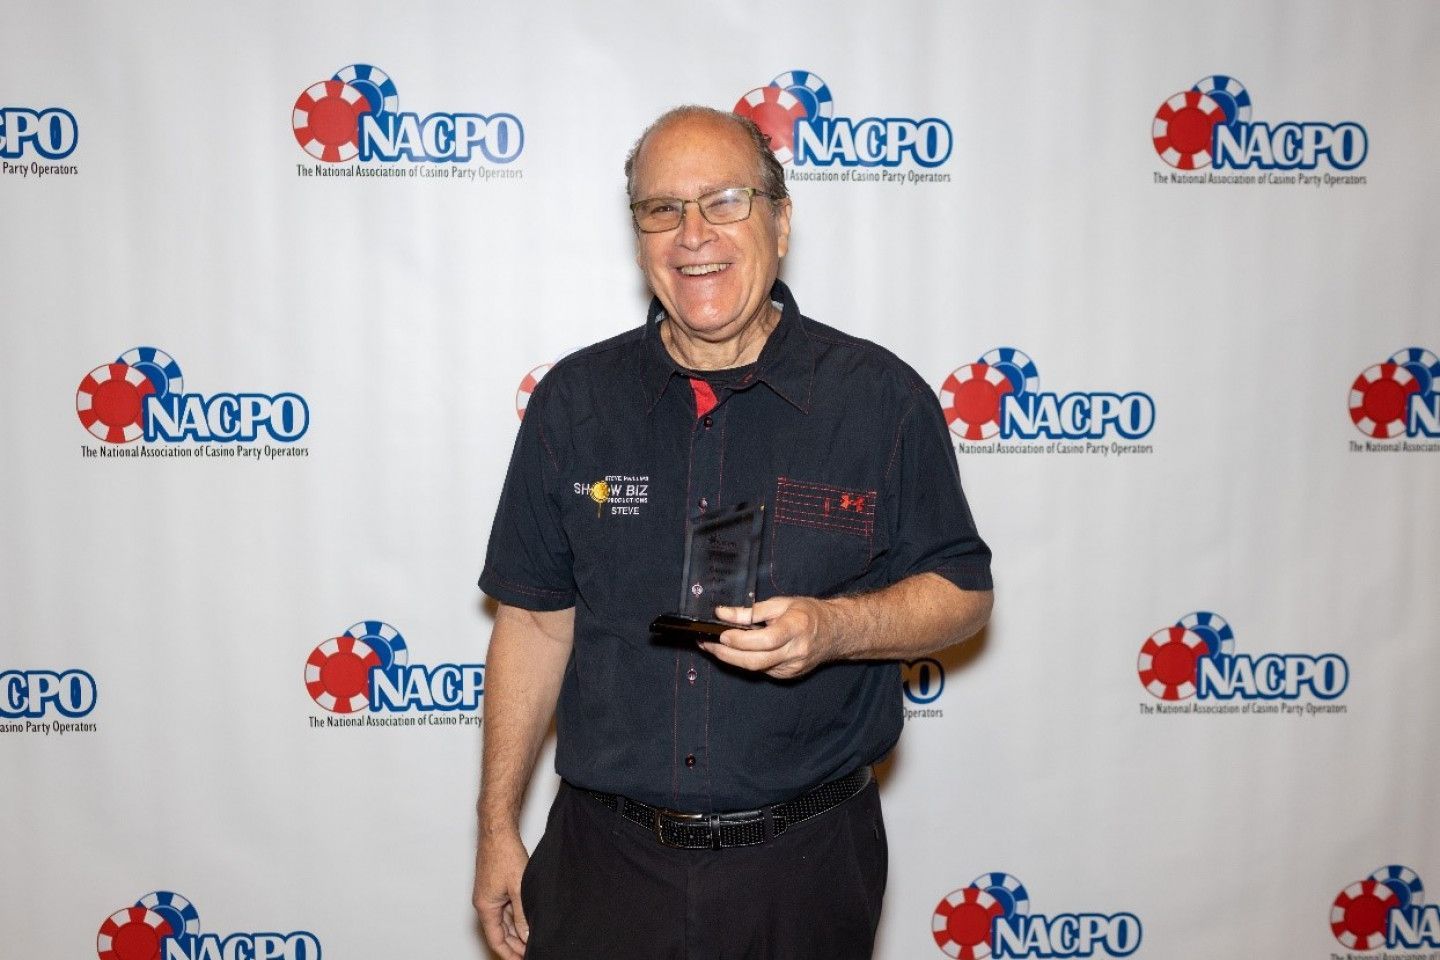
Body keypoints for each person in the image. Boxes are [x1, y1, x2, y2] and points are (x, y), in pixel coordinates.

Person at [473, 105, 993, 960]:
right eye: (661, 209)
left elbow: (963, 594)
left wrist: (837, 628)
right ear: (638, 235)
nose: (692, 234)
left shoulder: (878, 400)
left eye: (724, 200)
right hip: (603, 868)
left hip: (806, 872)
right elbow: (532, 621)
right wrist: (495, 825)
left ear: (781, 221)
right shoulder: (574, 403)